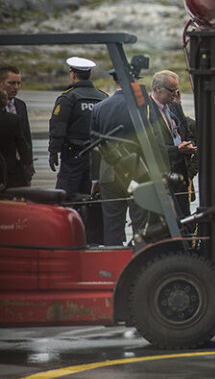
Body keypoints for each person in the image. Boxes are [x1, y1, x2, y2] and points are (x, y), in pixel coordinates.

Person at [90, 70, 152, 246]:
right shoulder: (141, 105)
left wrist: (95, 178)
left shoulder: (100, 107)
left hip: (109, 173)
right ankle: (139, 261)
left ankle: (112, 265)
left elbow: (95, 146)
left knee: (112, 225)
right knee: (140, 224)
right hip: (137, 171)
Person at [48, 57, 107, 198]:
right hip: (97, 158)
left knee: (65, 197)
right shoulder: (103, 98)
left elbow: (58, 127)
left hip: (72, 157)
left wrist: (53, 151)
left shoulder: (68, 98)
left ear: (73, 74)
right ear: (90, 75)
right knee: (91, 198)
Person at [148, 70, 197, 218]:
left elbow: (187, 132)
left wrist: (190, 145)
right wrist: (177, 150)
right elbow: (151, 146)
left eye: (177, 91)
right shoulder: (147, 111)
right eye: (171, 91)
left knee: (184, 216)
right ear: (158, 88)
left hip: (181, 172)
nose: (175, 94)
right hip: (161, 172)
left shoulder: (175, 107)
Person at [0, 65, 33, 186]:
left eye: (18, 83)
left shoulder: (20, 105)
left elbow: (26, 138)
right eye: (11, 83)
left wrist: (28, 170)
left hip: (18, 170)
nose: (16, 87)